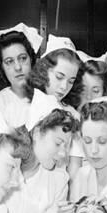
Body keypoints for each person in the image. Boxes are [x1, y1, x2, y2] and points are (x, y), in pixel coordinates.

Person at [25, 35, 84, 177]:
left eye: (71, 81)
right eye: (59, 77)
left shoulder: (69, 112)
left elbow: (75, 164)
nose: (64, 87)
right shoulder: (34, 105)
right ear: (44, 70)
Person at [0, 24, 42, 127]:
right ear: (2, 68)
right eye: (9, 61)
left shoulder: (46, 96)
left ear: (31, 60)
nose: (17, 67)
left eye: (23, 58)